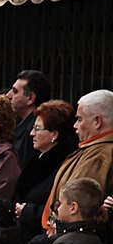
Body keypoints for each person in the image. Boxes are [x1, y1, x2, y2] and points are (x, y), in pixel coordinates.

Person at [41, 90, 113, 230]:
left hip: (69, 238)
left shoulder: (100, 155)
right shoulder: (92, 151)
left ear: (97, 122)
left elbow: (78, 205)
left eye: (79, 119)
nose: (75, 126)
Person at [13, 100, 77, 244]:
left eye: (37, 128)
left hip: (43, 240)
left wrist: (28, 211)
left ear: (54, 134)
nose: (31, 133)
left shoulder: (64, 163)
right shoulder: (38, 156)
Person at [6, 70, 52, 169]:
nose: (8, 95)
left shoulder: (32, 130)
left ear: (30, 98)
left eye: (15, 91)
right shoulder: (24, 125)